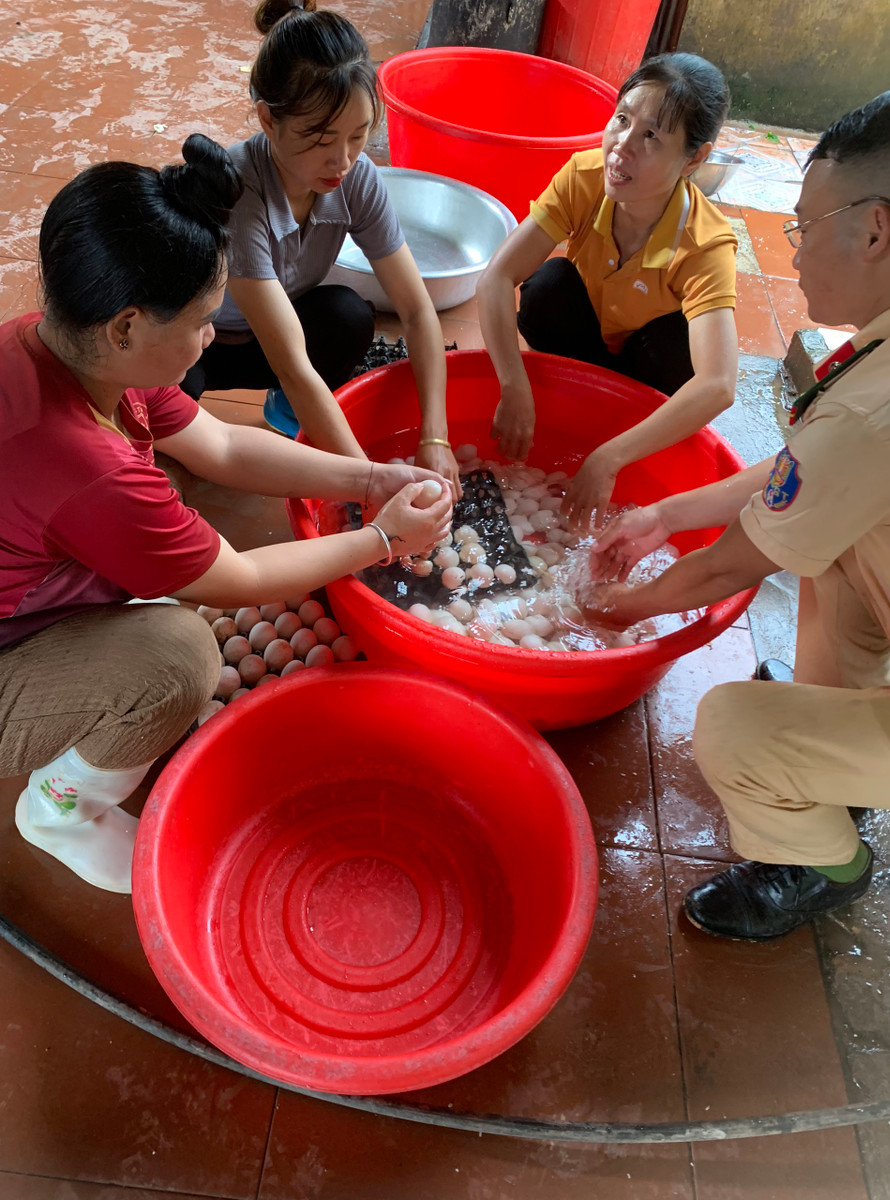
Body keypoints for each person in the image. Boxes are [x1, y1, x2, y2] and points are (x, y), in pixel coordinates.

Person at [0, 134, 452, 896]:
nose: (213, 336)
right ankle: (60, 807)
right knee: (180, 657)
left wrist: (371, 476)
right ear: (127, 326)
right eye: (205, 320)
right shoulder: (84, 464)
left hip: (30, 579)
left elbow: (222, 448)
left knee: (167, 585)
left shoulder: (63, 348)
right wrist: (381, 539)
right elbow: (238, 577)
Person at [583, 90, 890, 941]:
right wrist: (662, 516)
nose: (790, 253)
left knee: (730, 728)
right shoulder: (882, 366)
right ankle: (843, 761)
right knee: (832, 544)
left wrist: (602, 611)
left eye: (801, 225)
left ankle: (825, 860)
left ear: (875, 230)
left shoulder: (882, 404)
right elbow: (817, 470)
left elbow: (731, 565)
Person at [182, 0, 461, 499]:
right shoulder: (239, 193)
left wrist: (434, 435)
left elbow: (417, 311)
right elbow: (289, 359)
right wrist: (374, 486)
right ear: (268, 121)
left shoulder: (357, 178)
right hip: (202, 346)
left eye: (358, 136)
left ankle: (293, 413)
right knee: (170, 403)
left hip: (273, 336)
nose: (342, 159)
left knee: (347, 315)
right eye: (320, 139)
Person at [477, 52, 738, 528]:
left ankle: (627, 426)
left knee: (680, 345)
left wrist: (609, 457)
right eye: (621, 119)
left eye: (651, 137)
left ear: (695, 158)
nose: (621, 147)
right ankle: (572, 394)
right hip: (585, 345)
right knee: (548, 287)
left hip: (646, 375)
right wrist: (514, 387)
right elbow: (496, 278)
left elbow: (718, 385)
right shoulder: (584, 178)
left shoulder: (705, 243)